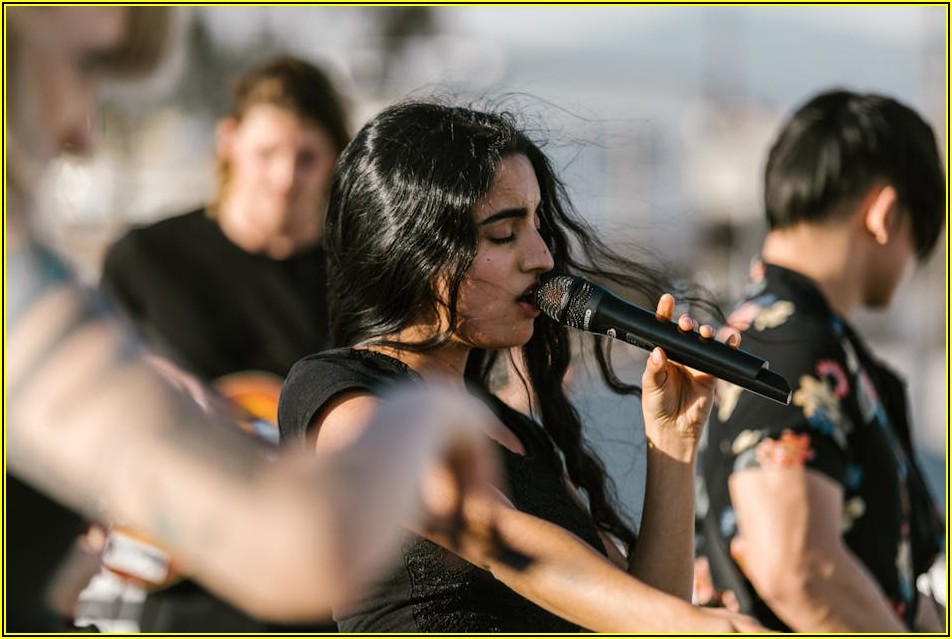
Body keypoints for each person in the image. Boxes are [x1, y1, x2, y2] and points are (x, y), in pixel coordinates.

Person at [4, 6, 501, 631]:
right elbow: (294, 548)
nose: (84, 132)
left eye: (306, 157)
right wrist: (435, 413)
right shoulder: (83, 269)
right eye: (83, 64)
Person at [278, 100, 765, 633]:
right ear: (415, 250)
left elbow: (631, 609)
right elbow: (491, 532)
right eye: (503, 235)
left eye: (538, 226)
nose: (541, 257)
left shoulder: (517, 435)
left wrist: (672, 444)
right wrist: (700, 627)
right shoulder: (339, 395)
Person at [98, 51, 350, 633]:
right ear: (228, 142)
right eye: (267, 154)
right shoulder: (146, 259)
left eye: (307, 158)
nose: (285, 177)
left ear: (335, 158)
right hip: (178, 575)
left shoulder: (360, 278)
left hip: (311, 574)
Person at [696, 89, 946, 632]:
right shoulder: (791, 341)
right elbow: (795, 566)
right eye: (920, 240)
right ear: (885, 213)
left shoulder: (774, 329)